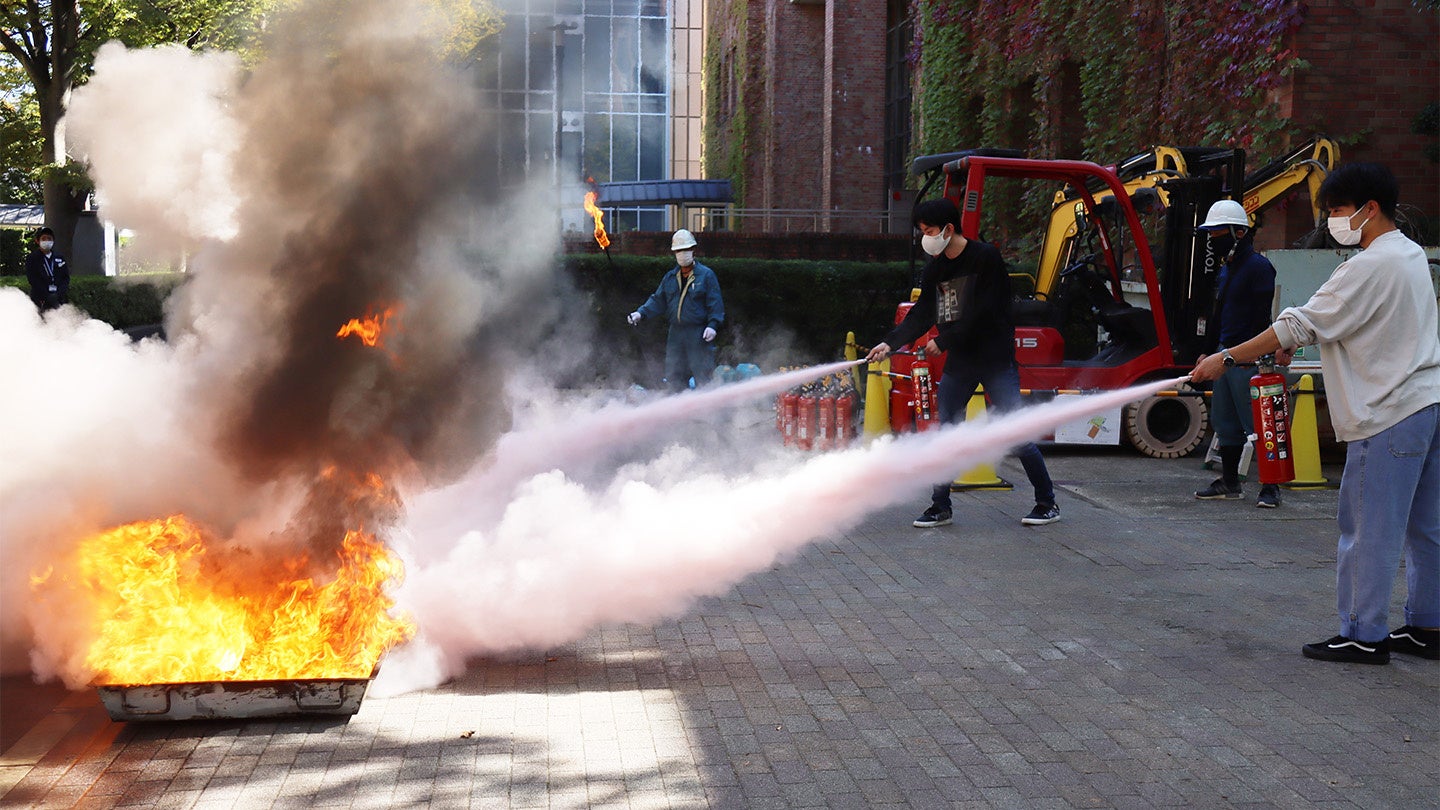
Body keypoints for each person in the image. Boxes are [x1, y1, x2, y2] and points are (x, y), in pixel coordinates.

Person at [1190, 162, 1440, 665]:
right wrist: (1298, 347)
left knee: (1369, 527)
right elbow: (1364, 326)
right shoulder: (1409, 255)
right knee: (1426, 525)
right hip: (1425, 403)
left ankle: (1362, 634)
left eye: (1337, 210)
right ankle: (1428, 626)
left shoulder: (1370, 264)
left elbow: (1298, 322)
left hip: (1387, 413)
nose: (1332, 221)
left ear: (1370, 209)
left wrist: (1227, 357)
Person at [865, 197, 1060, 529]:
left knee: (1015, 431)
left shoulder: (986, 258)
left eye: (929, 231)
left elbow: (984, 312)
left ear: (948, 228)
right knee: (947, 433)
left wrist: (943, 341)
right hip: (962, 362)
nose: (925, 238)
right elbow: (923, 312)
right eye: (922, 232)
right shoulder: (936, 269)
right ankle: (940, 506)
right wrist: (890, 342)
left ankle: (1047, 502)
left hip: (995, 359)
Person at [1190, 199, 1284, 508]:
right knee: (1225, 423)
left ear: (1239, 232)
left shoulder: (1259, 268)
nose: (1213, 239)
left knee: (1261, 426)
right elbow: (1219, 314)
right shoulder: (1227, 269)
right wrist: (1208, 352)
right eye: (1212, 233)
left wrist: (1267, 350)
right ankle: (1230, 482)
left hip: (1249, 359)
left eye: (1218, 233)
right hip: (1224, 357)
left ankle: (1271, 487)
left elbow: (1261, 317)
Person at [627, 229, 725, 392]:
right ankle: (679, 412)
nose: (682, 253)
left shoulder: (706, 276)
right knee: (674, 374)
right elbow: (658, 300)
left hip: (698, 333)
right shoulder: (670, 278)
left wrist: (713, 325)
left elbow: (715, 303)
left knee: (703, 374)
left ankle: (708, 414)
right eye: (679, 250)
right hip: (676, 333)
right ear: (674, 253)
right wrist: (641, 313)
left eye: (686, 249)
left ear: (693, 250)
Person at [24, 227, 69, 312]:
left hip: (58, 299)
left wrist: (59, 293)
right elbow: (32, 279)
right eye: (43, 239)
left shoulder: (59, 257)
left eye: (49, 238)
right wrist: (47, 294)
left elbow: (65, 277)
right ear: (37, 241)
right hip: (40, 299)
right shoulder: (32, 258)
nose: (47, 241)